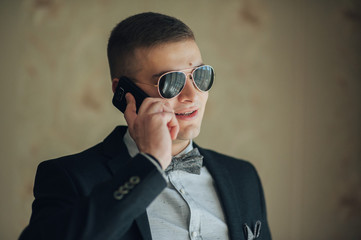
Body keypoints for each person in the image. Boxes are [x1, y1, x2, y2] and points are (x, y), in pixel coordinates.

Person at [19, 12, 271, 240]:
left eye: (200, 75)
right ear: (125, 92)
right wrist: (148, 166)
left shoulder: (243, 176)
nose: (191, 96)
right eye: (171, 82)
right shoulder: (69, 177)